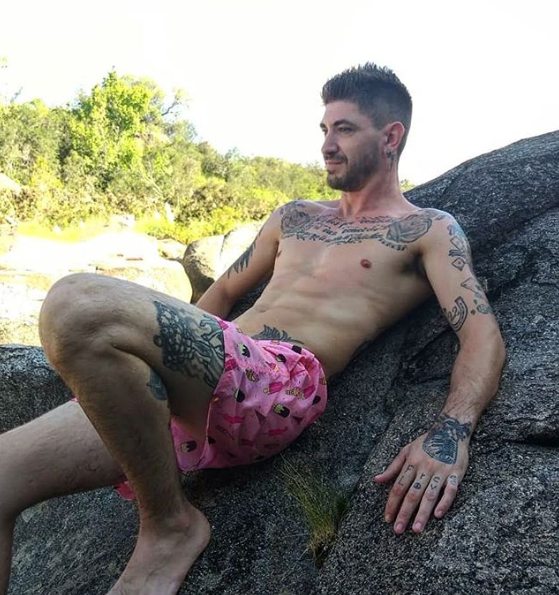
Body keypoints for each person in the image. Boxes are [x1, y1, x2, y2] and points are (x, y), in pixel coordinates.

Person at [0, 63, 506, 595]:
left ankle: (169, 525)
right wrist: (139, 360)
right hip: (206, 372)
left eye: (345, 129)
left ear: (391, 137)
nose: (327, 145)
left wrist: (451, 432)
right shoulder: (294, 217)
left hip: (279, 382)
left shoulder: (427, 229)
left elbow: (480, 334)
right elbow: (217, 298)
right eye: (324, 129)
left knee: (76, 303)